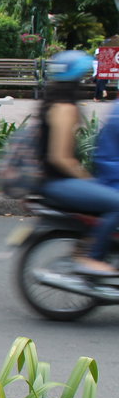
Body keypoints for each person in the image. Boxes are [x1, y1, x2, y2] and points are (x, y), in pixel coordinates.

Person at [38, 49, 119, 275]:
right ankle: (90, 258)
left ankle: (89, 245)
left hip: (51, 181)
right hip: (57, 183)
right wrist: (86, 177)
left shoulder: (52, 103)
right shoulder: (65, 108)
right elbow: (60, 157)